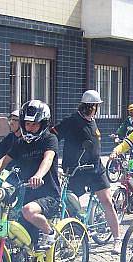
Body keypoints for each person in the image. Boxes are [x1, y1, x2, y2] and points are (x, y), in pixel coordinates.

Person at [0, 100, 60, 250]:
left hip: (48, 195)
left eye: (34, 124)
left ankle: (50, 233)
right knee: (20, 234)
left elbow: (48, 159)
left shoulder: (49, 139)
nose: (30, 128)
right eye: (27, 124)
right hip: (26, 194)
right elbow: (4, 160)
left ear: (43, 124)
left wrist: (38, 175)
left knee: (28, 211)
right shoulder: (20, 142)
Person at [51, 90, 122, 253]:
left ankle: (117, 239)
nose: (95, 109)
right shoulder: (72, 121)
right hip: (76, 171)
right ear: (91, 107)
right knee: (67, 204)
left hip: (96, 169)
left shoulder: (92, 120)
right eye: (95, 106)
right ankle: (69, 236)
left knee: (107, 201)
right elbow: (53, 137)